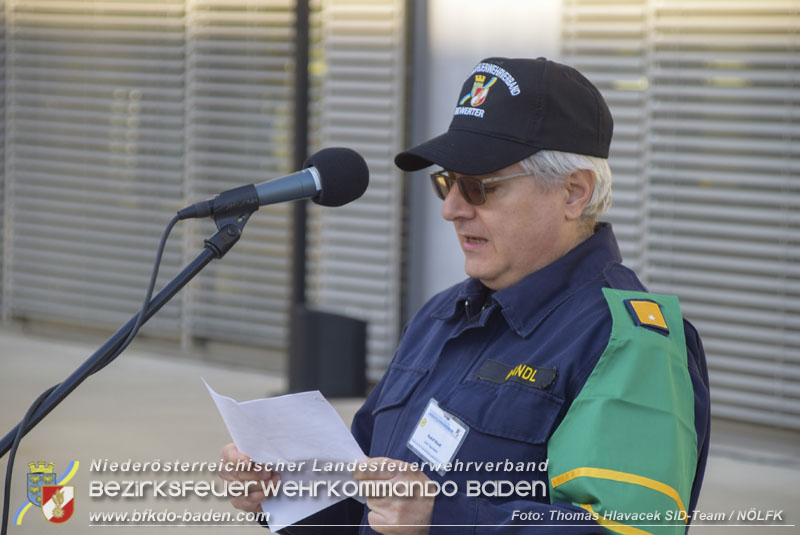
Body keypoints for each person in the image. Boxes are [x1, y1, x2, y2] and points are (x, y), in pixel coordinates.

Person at [219, 57, 711, 535]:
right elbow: (369, 509)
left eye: (480, 188)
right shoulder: (443, 315)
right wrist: (283, 492)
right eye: (446, 183)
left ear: (573, 193)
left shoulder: (626, 342)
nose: (451, 209)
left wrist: (440, 520)